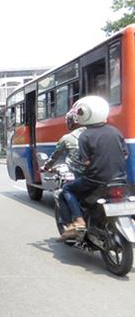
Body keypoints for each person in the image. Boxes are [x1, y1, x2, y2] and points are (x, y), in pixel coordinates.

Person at [59, 95, 129, 241]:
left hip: (95, 180)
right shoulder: (115, 131)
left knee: (67, 189)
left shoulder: (85, 136)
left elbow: (86, 162)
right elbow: (125, 154)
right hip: (120, 178)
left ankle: (78, 220)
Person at [40, 110, 86, 229]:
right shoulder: (94, 134)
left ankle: (75, 223)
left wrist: (45, 167)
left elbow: (55, 156)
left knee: (65, 191)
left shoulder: (67, 138)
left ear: (70, 122)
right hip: (105, 174)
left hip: (82, 176)